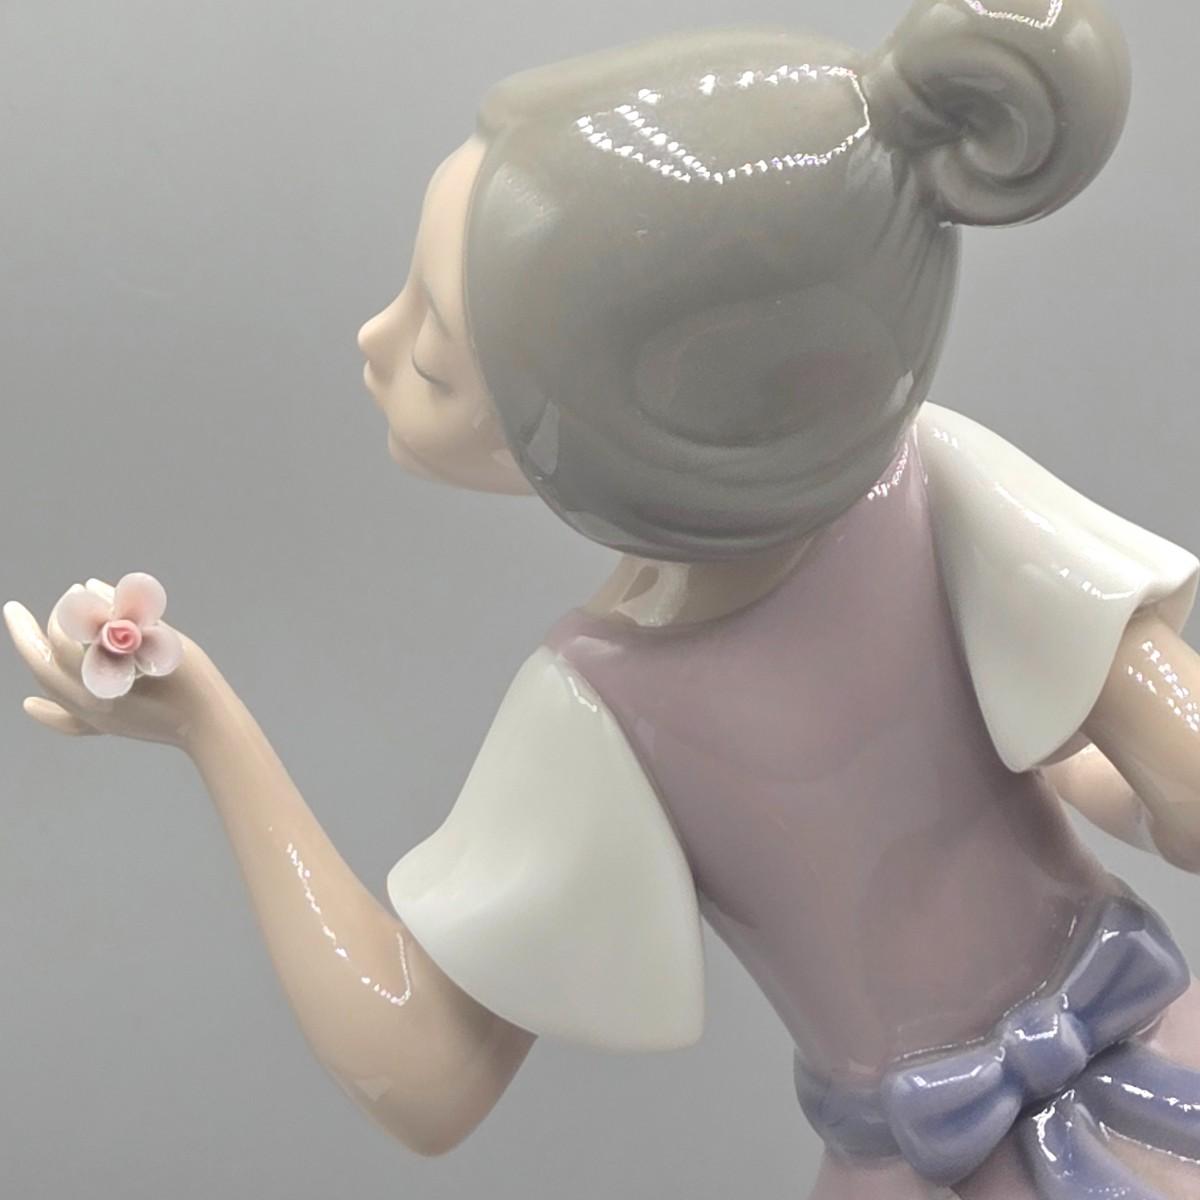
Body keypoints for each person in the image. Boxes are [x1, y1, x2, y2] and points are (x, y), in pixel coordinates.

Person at [8, 0, 1200, 1195]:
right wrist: (1086, 757)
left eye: (434, 359)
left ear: (643, 436)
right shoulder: (928, 477)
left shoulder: (604, 699)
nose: (373, 339)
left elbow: (422, 1068)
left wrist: (209, 729)